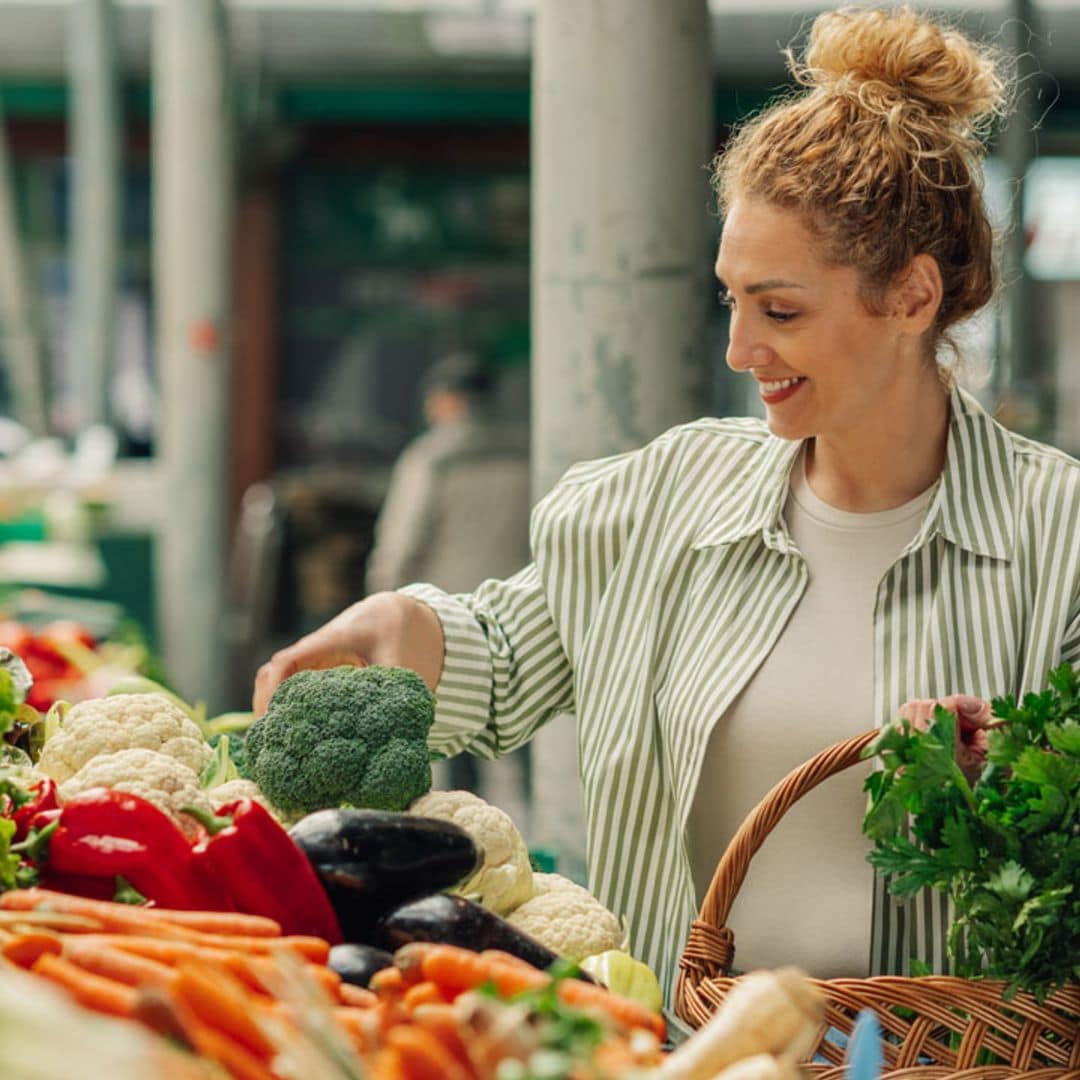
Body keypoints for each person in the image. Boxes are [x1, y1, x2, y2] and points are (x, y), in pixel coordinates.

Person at [255, 7, 1080, 1001]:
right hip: (676, 1054)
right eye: (730, 300)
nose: (740, 350)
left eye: (780, 310)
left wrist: (1027, 780)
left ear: (912, 296)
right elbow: (513, 654)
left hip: (943, 1063)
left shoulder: (1057, 538)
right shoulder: (662, 500)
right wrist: (405, 623)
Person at [365, 352, 532, 800]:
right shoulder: (529, 453)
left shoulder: (432, 459)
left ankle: (475, 834)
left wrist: (382, 604)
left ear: (448, 401)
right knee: (524, 730)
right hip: (522, 613)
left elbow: (400, 544)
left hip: (449, 617)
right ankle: (536, 825)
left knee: (460, 738)